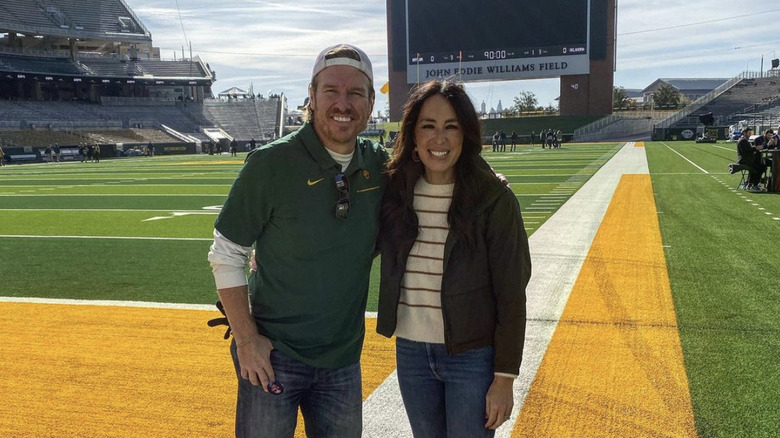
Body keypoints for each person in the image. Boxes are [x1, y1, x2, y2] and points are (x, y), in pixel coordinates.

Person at [207, 43, 386, 438]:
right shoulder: (271, 163)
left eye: (356, 93)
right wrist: (247, 339)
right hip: (273, 354)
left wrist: (486, 179)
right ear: (312, 95)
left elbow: (438, 162)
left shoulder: (378, 163)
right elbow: (226, 252)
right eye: (332, 91)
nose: (344, 103)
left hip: (342, 359)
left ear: (371, 102)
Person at [376, 80, 531, 437]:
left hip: (472, 356)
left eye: (451, 127)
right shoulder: (395, 192)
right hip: (412, 352)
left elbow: (511, 293)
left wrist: (505, 377)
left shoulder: (494, 199)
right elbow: (350, 243)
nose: (439, 139)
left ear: (467, 134)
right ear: (412, 135)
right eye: (428, 126)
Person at [737, 127, 765, 191]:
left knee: (760, 165)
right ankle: (754, 184)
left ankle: (750, 183)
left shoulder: (744, 140)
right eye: (749, 133)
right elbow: (745, 151)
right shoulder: (742, 140)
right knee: (761, 167)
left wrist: (754, 149)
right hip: (744, 161)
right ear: (744, 133)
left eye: (750, 133)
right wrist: (755, 148)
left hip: (746, 160)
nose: (750, 135)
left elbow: (747, 151)